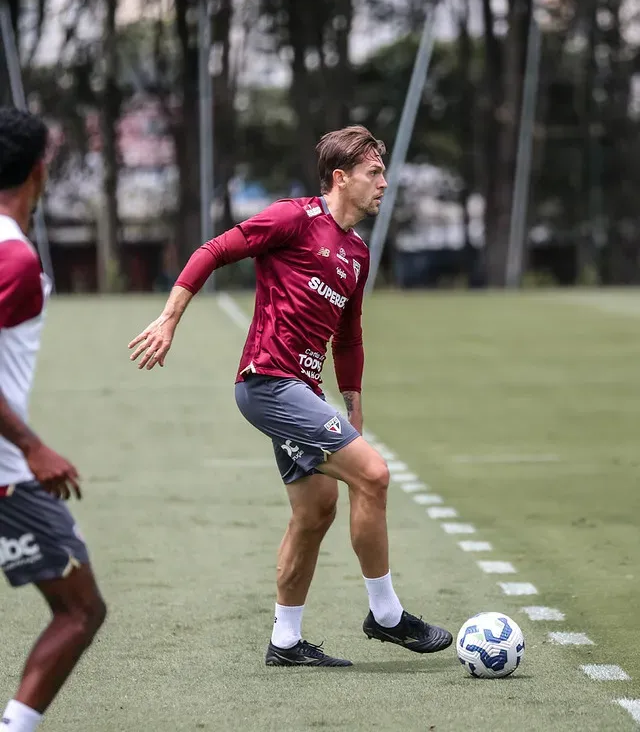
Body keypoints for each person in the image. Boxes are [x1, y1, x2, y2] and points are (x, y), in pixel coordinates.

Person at [129, 125, 452, 666]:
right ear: (340, 178)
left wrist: (352, 400)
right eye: (374, 173)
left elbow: (349, 335)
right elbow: (212, 251)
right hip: (267, 381)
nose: (384, 183)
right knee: (373, 475)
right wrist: (169, 319)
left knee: (316, 510)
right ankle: (387, 615)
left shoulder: (356, 253)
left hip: (303, 388)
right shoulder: (292, 219)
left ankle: (285, 641)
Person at [0, 107, 107, 729]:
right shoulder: (13, 260)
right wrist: (32, 447)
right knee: (80, 610)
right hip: (6, 475)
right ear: (40, 171)